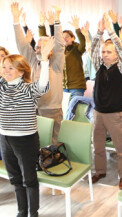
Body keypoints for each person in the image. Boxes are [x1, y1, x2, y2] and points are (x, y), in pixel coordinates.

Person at [0, 37, 53, 217]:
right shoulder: (1, 87)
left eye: (10, 67)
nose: (6, 70)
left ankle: (33, 213)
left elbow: (44, 85)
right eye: (4, 66)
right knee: (14, 178)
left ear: (21, 72)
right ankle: (22, 211)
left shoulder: (28, 89)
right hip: (4, 137)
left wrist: (44, 61)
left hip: (25, 139)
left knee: (29, 179)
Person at [12, 2, 64, 144]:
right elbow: (22, 45)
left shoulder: (56, 63)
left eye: (40, 47)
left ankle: (53, 164)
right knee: (36, 142)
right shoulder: (34, 61)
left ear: (49, 49)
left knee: (52, 144)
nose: (37, 49)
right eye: (36, 46)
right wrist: (16, 22)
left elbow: (59, 46)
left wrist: (57, 21)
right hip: (34, 108)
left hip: (51, 109)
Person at [90, 14, 122, 190]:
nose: (105, 54)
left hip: (114, 115)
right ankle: (100, 171)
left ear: (115, 55)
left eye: (109, 52)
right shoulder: (99, 65)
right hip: (98, 113)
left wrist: (111, 33)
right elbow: (93, 50)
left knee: (120, 149)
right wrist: (99, 33)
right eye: (104, 52)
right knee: (97, 146)